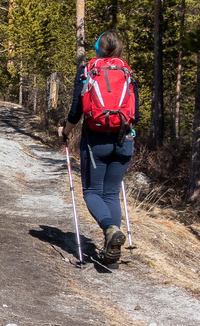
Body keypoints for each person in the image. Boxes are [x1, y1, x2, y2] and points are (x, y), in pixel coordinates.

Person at [58, 30, 137, 264]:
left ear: (98, 48)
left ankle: (110, 230)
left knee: (92, 192)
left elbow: (76, 110)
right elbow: (137, 112)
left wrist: (65, 132)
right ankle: (112, 246)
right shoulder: (126, 70)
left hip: (96, 141)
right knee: (111, 193)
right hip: (125, 140)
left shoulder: (87, 70)